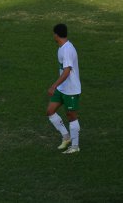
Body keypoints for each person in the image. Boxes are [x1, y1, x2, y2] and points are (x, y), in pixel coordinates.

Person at [46, 23, 82, 154]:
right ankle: (66, 137)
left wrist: (53, 85)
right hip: (63, 88)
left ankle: (75, 146)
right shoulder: (62, 47)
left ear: (56, 35)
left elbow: (67, 71)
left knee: (71, 116)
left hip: (71, 89)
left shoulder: (67, 50)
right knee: (50, 111)